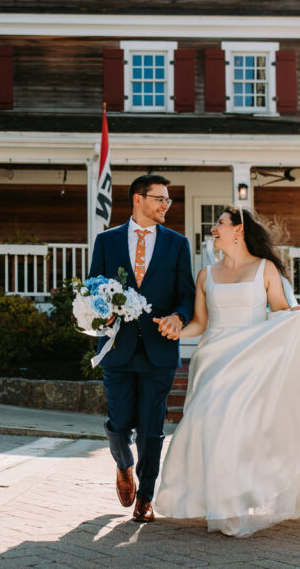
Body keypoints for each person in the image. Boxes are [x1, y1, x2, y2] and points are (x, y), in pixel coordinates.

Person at [153, 206, 300, 537]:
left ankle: (228, 507)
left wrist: (298, 315)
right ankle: (219, 500)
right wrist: (176, 330)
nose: (213, 229)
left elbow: (281, 314)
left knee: (238, 432)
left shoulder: (266, 269)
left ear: (239, 230)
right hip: (213, 361)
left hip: (252, 361)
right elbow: (201, 324)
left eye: (219, 223)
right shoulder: (206, 275)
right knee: (207, 424)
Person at [88, 174, 195, 523]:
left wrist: (179, 317)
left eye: (168, 200)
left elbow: (187, 294)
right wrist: (97, 317)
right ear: (138, 199)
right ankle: (123, 466)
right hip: (117, 348)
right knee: (118, 425)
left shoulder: (177, 244)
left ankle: (146, 497)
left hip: (159, 352)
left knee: (151, 429)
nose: (166, 205)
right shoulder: (107, 241)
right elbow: (94, 290)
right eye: (159, 198)